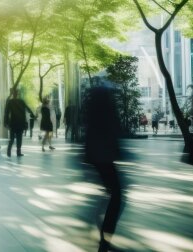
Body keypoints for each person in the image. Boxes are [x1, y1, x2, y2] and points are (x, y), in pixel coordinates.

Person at [84, 86, 124, 252]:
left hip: (96, 157)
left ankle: (103, 232)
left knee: (112, 194)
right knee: (116, 196)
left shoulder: (92, 110)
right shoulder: (107, 110)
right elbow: (115, 130)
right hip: (105, 157)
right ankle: (105, 238)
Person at [4, 88, 34, 157]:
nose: (17, 94)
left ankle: (9, 151)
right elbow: (27, 108)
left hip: (13, 122)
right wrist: (33, 114)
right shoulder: (21, 101)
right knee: (19, 138)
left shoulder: (10, 101)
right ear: (17, 93)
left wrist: (6, 122)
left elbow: (6, 112)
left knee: (12, 138)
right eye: (17, 92)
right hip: (20, 122)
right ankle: (18, 152)